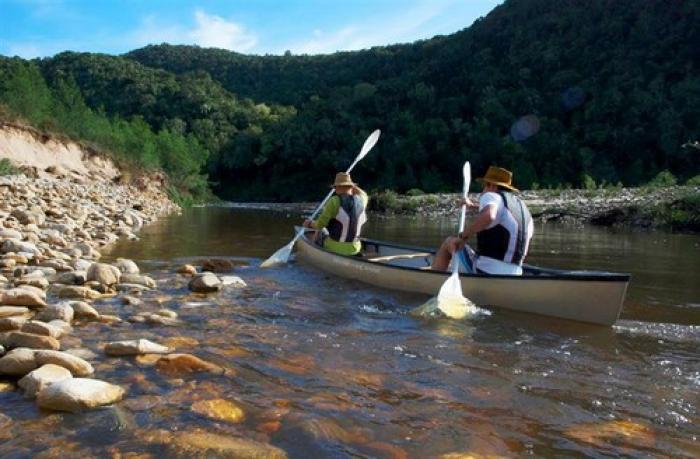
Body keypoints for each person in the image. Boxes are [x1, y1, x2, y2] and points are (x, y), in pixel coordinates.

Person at [431, 166, 534, 275]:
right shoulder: (522, 208)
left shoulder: (491, 195)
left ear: (492, 186)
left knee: (449, 242)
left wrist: (463, 236)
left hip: (487, 271)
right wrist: (472, 206)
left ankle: (434, 282)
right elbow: (499, 213)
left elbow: (489, 216)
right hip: (516, 273)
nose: (483, 190)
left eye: (484, 185)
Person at [302, 172, 368, 256]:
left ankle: (313, 253)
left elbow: (319, 225)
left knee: (320, 231)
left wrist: (310, 223)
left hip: (334, 248)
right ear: (351, 187)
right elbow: (363, 194)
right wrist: (351, 185)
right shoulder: (362, 200)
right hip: (355, 248)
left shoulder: (334, 201)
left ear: (336, 188)